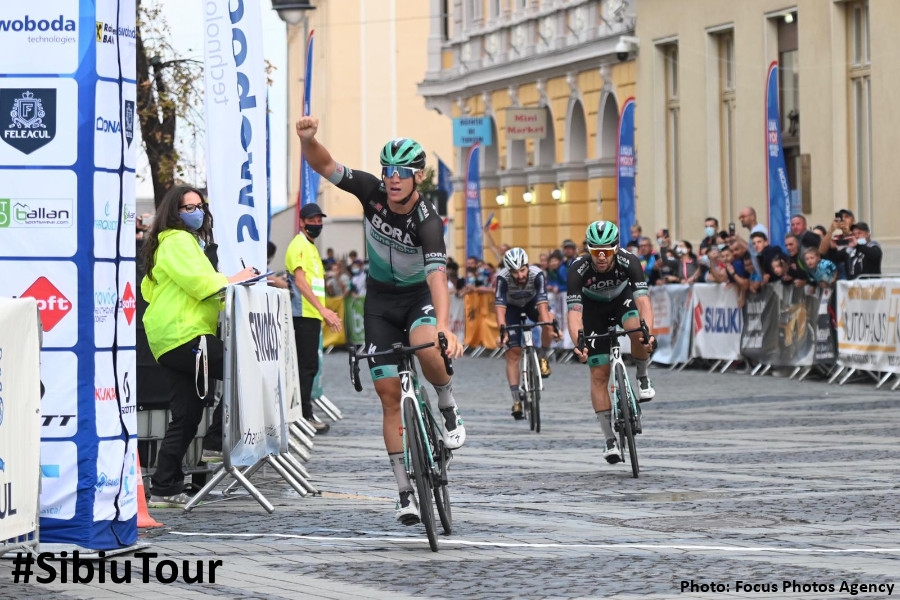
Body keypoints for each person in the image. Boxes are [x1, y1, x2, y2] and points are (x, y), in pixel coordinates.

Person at [296, 117, 466, 525]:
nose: (392, 179)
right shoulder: (370, 191)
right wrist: (308, 140)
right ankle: (405, 493)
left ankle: (445, 402)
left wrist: (443, 325)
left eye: (401, 174)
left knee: (427, 346)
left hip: (417, 297)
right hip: (379, 303)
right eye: (388, 171)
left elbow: (437, 276)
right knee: (389, 396)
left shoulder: (428, 220)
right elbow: (326, 165)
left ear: (417, 177)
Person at [140, 185, 258, 507]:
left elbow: (156, 291)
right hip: (186, 336)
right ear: (173, 213)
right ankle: (217, 443)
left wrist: (227, 287)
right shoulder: (177, 242)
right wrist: (237, 279)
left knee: (187, 414)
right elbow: (201, 284)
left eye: (199, 206)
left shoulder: (177, 243)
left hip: (175, 337)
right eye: (187, 207)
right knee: (244, 366)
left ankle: (164, 487)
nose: (196, 212)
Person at [567, 221, 656, 465]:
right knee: (599, 374)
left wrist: (648, 333)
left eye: (607, 250)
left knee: (637, 331)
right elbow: (574, 313)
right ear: (589, 250)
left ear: (616, 248)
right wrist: (579, 343)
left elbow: (644, 303)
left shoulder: (631, 261)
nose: (602, 256)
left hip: (622, 301)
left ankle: (642, 375)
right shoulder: (578, 268)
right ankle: (609, 439)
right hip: (593, 309)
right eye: (596, 251)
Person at [286, 203, 343, 433]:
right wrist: (323, 310)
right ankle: (303, 415)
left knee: (309, 366)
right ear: (302, 222)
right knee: (305, 366)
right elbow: (300, 282)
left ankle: (303, 413)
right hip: (303, 314)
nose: (316, 224)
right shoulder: (299, 245)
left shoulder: (310, 247)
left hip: (310, 315)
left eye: (320, 221)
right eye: (312, 220)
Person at [495, 248, 560, 419]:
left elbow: (543, 305)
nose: (519, 276)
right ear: (509, 271)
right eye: (515, 272)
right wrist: (503, 332)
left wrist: (550, 327)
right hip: (512, 309)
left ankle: (544, 358)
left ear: (527, 266)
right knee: (513, 353)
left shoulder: (537, 275)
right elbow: (500, 308)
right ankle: (516, 399)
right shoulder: (502, 278)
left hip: (532, 303)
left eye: (522, 270)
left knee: (547, 322)